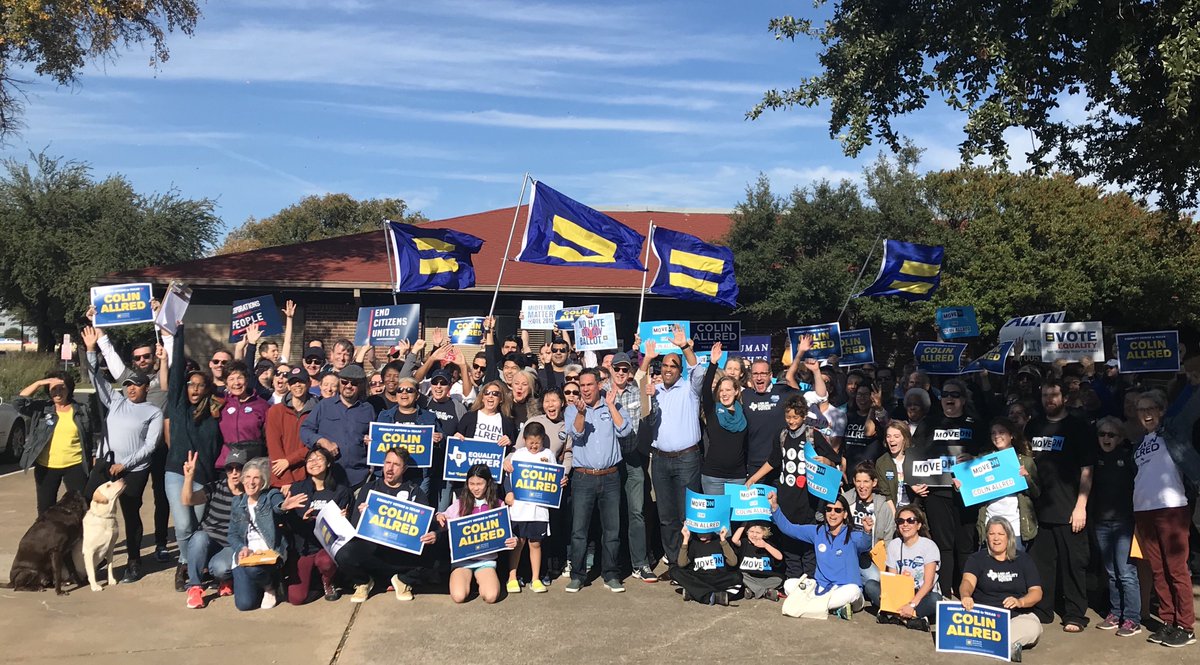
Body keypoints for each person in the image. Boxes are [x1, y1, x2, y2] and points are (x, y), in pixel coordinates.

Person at [81, 326, 164, 584]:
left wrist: (124, 465)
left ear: (146, 387)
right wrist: (91, 349)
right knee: (87, 506)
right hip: (105, 465)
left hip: (132, 471)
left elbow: (150, 446)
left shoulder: (153, 412)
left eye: (136, 385)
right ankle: (88, 558)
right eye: (128, 385)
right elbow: (96, 378)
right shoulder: (116, 401)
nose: (131, 389)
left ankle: (134, 562)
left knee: (130, 514)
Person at [1024, 378, 1095, 630]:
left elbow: (1087, 469)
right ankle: (1043, 610)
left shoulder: (1078, 426)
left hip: (1069, 510)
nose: (1049, 400)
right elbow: (1024, 460)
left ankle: (1075, 613)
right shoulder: (1034, 425)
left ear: (1064, 398)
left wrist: (1081, 506)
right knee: (1042, 565)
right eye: (1045, 395)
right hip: (1039, 509)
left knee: (1073, 564)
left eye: (1054, 395)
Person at [1132, 390, 1200, 648]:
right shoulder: (1140, 442)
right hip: (1143, 510)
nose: (1146, 414)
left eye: (1151, 408)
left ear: (1162, 411)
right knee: (1158, 570)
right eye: (1141, 410)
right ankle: (1168, 621)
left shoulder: (1173, 431)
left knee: (1176, 569)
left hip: (1171, 508)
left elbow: (1191, 407)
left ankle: (1186, 626)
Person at [160, 325, 225, 591]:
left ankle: (198, 566)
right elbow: (176, 372)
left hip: (204, 477)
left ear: (207, 388)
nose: (195, 389)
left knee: (199, 526)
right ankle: (185, 564)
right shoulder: (178, 407)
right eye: (191, 385)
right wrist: (178, 335)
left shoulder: (216, 413)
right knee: (183, 524)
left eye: (200, 385)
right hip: (176, 472)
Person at [643, 327, 707, 579]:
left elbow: (699, 372)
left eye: (673, 366)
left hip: (686, 459)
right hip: (660, 459)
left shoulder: (690, 389)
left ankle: (689, 563)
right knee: (666, 516)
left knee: (686, 515)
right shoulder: (654, 390)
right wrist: (647, 394)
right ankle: (673, 564)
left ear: (680, 371)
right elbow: (639, 400)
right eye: (665, 365)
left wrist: (684, 347)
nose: (668, 369)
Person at [910, 377, 982, 599]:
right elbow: (914, 454)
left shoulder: (975, 423)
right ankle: (945, 594)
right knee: (944, 545)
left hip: (966, 494)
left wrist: (975, 459)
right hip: (937, 493)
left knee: (965, 544)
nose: (949, 398)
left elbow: (989, 454)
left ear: (963, 399)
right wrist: (914, 482)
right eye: (945, 395)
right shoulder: (929, 423)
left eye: (955, 395)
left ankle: (966, 593)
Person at [562, 368, 631, 593]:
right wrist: (581, 413)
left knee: (612, 530)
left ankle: (611, 574)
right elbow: (577, 434)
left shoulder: (612, 404)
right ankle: (578, 575)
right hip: (584, 477)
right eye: (582, 386)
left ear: (598, 385)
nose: (585, 389)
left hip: (610, 476)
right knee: (579, 530)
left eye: (589, 385)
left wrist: (611, 406)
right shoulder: (572, 409)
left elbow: (625, 430)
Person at [337, 448, 436, 603]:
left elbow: (424, 528)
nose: (390, 468)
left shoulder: (415, 492)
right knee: (343, 553)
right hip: (373, 549)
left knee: (436, 556)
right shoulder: (369, 488)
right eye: (388, 463)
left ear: (404, 468)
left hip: (401, 552)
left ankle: (403, 580)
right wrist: (363, 516)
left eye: (396, 464)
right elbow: (355, 527)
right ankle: (364, 582)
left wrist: (432, 535)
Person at [768, 492, 871, 619]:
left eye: (837, 510)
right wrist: (775, 507)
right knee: (789, 584)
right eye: (829, 509)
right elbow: (789, 529)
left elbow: (865, 545)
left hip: (844, 590)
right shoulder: (817, 531)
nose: (832, 514)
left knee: (853, 591)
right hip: (821, 588)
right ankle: (828, 608)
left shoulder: (853, 535)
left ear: (845, 514)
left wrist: (867, 532)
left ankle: (810, 605)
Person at [228, 456, 307, 611]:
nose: (251, 482)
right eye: (248, 477)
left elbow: (278, 505)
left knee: (253, 570)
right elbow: (232, 534)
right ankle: (259, 583)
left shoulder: (271, 495)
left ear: (263, 481)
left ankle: (270, 586)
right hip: (245, 554)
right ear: (242, 479)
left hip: (269, 553)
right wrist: (241, 548)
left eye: (256, 478)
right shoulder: (237, 502)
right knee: (245, 604)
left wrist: (283, 506)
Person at [960, 518, 1044, 661]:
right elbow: (967, 582)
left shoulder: (1023, 559)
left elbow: (1036, 592)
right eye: (992, 534)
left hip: (1015, 617)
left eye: (1001, 534)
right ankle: (1004, 646)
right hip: (984, 619)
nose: (996, 538)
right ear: (987, 537)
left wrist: (1020, 602)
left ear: (1009, 537)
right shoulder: (976, 558)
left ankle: (989, 643)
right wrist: (965, 596)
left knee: (1033, 628)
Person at [15, 371, 94, 515]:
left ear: (69, 389)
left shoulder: (82, 410)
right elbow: (18, 403)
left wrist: (93, 456)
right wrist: (39, 383)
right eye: (53, 388)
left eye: (62, 388)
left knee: (80, 508)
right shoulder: (41, 409)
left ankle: (77, 531)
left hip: (75, 465)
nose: (58, 392)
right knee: (45, 510)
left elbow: (90, 436)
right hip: (46, 466)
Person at [605, 351, 655, 583]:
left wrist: (652, 400)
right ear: (611, 369)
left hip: (633, 458)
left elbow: (650, 419)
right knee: (612, 515)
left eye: (625, 369)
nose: (621, 373)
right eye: (617, 368)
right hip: (610, 461)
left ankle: (640, 564)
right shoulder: (601, 391)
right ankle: (612, 565)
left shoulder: (638, 391)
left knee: (637, 512)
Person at [435, 464, 518, 604]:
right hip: (462, 561)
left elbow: (508, 532)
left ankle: (481, 582)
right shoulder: (459, 504)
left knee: (491, 596)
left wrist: (513, 539)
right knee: (459, 596)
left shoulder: (499, 505)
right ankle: (467, 581)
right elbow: (444, 517)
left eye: (479, 484)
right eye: (471, 484)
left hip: (485, 561)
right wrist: (439, 516)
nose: (475, 488)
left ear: (488, 483)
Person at [1090, 415, 1141, 638]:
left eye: (1112, 434)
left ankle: (1132, 618)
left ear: (1120, 438)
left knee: (1126, 572)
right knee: (1111, 572)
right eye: (1102, 434)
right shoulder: (1095, 459)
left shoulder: (1129, 458)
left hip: (1124, 522)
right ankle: (1116, 612)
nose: (1106, 438)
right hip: (1101, 521)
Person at [283, 448, 351, 605]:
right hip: (304, 548)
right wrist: (292, 514)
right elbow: (289, 524)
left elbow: (346, 528)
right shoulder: (296, 489)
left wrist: (344, 518)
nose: (314, 463)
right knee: (296, 599)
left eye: (319, 459)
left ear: (328, 463)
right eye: (310, 460)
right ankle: (316, 585)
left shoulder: (341, 491)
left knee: (325, 562)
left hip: (327, 547)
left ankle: (329, 581)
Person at [181, 449, 246, 609]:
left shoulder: (249, 493)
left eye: (239, 468)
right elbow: (187, 500)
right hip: (208, 541)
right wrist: (189, 478)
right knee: (199, 537)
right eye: (230, 468)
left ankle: (225, 578)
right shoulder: (215, 487)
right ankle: (194, 588)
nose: (234, 472)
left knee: (220, 568)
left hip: (230, 545)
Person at [742, 335, 809, 478]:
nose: (759, 377)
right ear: (750, 376)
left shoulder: (783, 392)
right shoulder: (744, 395)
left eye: (763, 374)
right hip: (755, 463)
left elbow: (818, 395)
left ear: (770, 375)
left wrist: (801, 353)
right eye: (755, 374)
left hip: (783, 461)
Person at [966, 418, 1038, 550]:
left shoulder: (1025, 461)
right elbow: (972, 489)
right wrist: (960, 486)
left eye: (1001, 432)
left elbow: (1036, 493)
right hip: (990, 526)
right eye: (993, 433)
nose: (997, 436)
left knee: (1015, 562)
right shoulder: (982, 460)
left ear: (1011, 435)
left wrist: (1026, 478)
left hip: (1016, 528)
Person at [503, 422, 558, 594]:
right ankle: (512, 577)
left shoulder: (548, 454)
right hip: (519, 509)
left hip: (539, 510)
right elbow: (508, 477)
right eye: (531, 442)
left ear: (543, 440)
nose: (534, 446)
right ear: (525, 439)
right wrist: (508, 492)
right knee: (518, 543)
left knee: (535, 543)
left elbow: (554, 478)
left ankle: (535, 578)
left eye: (537, 443)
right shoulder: (518, 454)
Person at [866, 504, 940, 631]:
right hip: (900, 593)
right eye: (901, 521)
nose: (905, 524)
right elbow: (892, 579)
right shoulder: (894, 545)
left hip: (921, 594)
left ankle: (895, 615)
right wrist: (890, 594)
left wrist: (912, 604)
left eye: (910, 520)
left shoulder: (929, 546)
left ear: (919, 525)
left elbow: (928, 583)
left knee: (936, 600)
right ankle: (911, 618)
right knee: (870, 586)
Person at [301, 364, 374, 489]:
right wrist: (322, 441)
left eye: (354, 383)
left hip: (359, 478)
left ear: (361, 385)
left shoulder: (368, 409)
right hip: (329, 477)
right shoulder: (324, 405)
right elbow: (305, 430)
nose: (348, 386)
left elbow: (374, 438)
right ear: (340, 382)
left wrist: (371, 441)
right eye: (344, 382)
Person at [700, 342, 748, 494]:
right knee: (717, 511)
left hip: (738, 477)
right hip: (713, 477)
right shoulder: (712, 410)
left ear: (736, 391)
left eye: (728, 390)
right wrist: (713, 363)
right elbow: (705, 389)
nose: (725, 394)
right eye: (721, 391)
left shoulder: (744, 411)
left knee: (735, 511)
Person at [843, 462, 895, 585]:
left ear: (874, 482)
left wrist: (890, 566)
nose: (862, 486)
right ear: (854, 482)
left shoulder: (883, 507)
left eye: (866, 481)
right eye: (858, 481)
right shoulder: (845, 500)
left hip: (867, 555)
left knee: (875, 578)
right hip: (844, 551)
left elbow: (888, 538)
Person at [265, 366, 316, 491]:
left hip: (309, 475)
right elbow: (274, 447)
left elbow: (314, 444)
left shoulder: (317, 411)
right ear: (288, 386)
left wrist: (289, 461)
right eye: (293, 382)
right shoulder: (275, 411)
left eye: (301, 381)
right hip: (281, 478)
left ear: (309, 383)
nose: (297, 385)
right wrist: (286, 480)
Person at [672, 526, 741, 605]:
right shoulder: (694, 542)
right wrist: (685, 539)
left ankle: (694, 593)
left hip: (718, 578)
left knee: (737, 577)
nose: (702, 535)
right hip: (699, 578)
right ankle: (713, 596)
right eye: (700, 532)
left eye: (706, 532)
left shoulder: (719, 540)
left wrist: (723, 540)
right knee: (675, 571)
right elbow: (681, 564)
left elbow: (733, 562)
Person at [217, 361, 270, 464]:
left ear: (246, 380)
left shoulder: (262, 405)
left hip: (253, 462)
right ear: (226, 383)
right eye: (231, 379)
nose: (236, 383)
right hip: (227, 462)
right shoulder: (221, 404)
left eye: (240, 378)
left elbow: (269, 437)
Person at [456, 380, 518, 447]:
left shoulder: (507, 421)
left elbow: (513, 444)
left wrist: (509, 442)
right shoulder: (469, 417)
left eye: (495, 394)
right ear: (482, 398)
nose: (490, 396)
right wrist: (456, 437)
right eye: (487, 393)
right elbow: (457, 438)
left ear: (501, 399)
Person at [731, 522, 784, 600]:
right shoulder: (744, 542)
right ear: (747, 532)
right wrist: (744, 524)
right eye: (751, 532)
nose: (754, 535)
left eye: (758, 533)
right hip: (748, 577)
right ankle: (765, 592)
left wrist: (765, 546)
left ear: (764, 533)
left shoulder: (768, 544)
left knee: (780, 579)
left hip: (766, 578)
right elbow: (734, 540)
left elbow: (779, 557)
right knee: (739, 575)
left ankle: (752, 590)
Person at [875, 421, 912, 509]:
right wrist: (894, 514)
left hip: (913, 508)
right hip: (893, 508)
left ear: (905, 438)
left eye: (896, 436)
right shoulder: (882, 462)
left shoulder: (914, 458)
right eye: (888, 436)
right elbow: (885, 494)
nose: (891, 440)